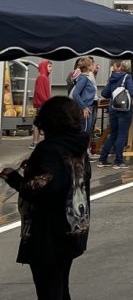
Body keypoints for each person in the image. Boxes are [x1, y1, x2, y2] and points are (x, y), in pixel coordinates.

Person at [1, 96, 91, 300]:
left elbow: (40, 189)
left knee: (49, 290)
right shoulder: (77, 145)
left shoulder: (50, 149)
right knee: (61, 286)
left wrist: (13, 178)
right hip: (73, 227)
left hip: (49, 232)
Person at [97, 60, 133, 169]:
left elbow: (104, 93)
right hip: (124, 109)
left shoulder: (112, 78)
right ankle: (118, 161)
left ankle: (102, 159)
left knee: (113, 134)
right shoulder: (128, 77)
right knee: (122, 134)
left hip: (113, 108)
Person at [69, 56, 97, 137]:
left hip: (88, 108)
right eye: (92, 64)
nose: (93, 65)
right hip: (86, 109)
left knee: (86, 131)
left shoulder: (86, 78)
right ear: (88, 67)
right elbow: (75, 94)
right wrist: (84, 107)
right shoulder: (83, 78)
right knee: (84, 132)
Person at [31, 60, 52, 149]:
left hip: (43, 103)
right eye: (49, 66)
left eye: (51, 67)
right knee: (38, 123)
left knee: (40, 123)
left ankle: (36, 142)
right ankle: (35, 142)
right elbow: (40, 92)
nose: (51, 69)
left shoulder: (45, 77)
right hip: (42, 104)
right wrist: (47, 102)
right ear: (44, 66)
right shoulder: (42, 77)